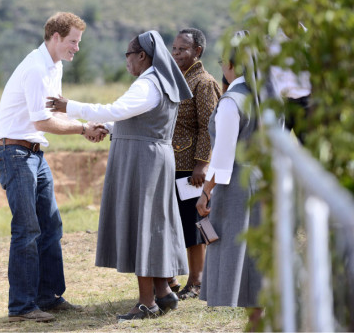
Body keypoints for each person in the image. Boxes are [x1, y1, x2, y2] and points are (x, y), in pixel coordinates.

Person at [48, 30, 192, 321]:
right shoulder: (158, 83)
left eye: (128, 54)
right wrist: (108, 128)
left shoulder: (148, 83)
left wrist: (70, 107)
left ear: (142, 56)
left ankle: (146, 303)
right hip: (151, 156)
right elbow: (134, 119)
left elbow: (116, 109)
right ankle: (163, 292)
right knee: (153, 224)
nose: (126, 61)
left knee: (142, 225)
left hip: (142, 161)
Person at [0, 12, 105, 323]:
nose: (76, 48)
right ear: (55, 37)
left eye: (78, 42)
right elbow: (41, 121)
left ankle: (48, 297)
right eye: (73, 41)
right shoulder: (35, 68)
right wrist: (83, 130)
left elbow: (56, 113)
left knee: (51, 225)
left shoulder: (53, 67)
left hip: (33, 154)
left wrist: (87, 124)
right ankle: (22, 307)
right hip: (14, 153)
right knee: (27, 229)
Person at [196, 31, 264, 329]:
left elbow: (223, 157)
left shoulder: (231, 102)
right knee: (259, 253)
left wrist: (205, 193)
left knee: (239, 252)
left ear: (231, 64)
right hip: (263, 180)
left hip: (236, 183)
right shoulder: (266, 99)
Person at [170, 28, 221, 300]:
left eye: (183, 49)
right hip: (174, 164)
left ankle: (198, 280)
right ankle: (179, 278)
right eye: (175, 48)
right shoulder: (180, 80)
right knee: (179, 222)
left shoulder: (203, 82)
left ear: (197, 51)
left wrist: (202, 164)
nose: (176, 53)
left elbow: (209, 127)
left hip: (191, 167)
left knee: (194, 222)